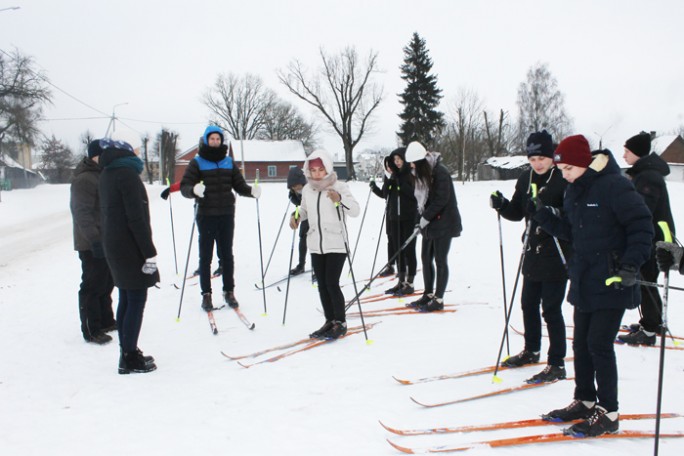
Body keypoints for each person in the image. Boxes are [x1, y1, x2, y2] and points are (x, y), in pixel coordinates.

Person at [534, 135, 653, 437]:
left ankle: (608, 412)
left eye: (568, 169)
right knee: (581, 344)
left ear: (585, 163)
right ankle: (585, 400)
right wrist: (543, 217)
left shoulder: (615, 185)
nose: (564, 175)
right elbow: (573, 232)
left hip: (613, 279)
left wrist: (630, 265)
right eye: (561, 170)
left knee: (599, 344)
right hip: (585, 278)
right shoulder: (575, 190)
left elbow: (641, 226)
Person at [489, 130, 570, 383]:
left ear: (551, 156)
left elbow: (570, 217)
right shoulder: (525, 178)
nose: (538, 163)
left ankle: (556, 363)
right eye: (533, 159)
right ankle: (531, 350)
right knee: (528, 304)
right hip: (532, 251)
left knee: (551, 310)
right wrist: (502, 205)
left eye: (542, 158)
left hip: (556, 252)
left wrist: (546, 210)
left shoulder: (562, 179)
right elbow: (516, 211)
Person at [180, 126, 260, 311]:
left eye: (218, 139)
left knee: (226, 255)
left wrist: (251, 192)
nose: (215, 142)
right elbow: (185, 186)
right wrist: (193, 191)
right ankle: (206, 294)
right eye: (212, 139)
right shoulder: (197, 162)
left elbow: (239, 185)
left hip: (226, 214)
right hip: (206, 215)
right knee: (205, 256)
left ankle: (229, 291)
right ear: (206, 140)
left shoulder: (228, 162)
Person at [98, 138, 159, 374]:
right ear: (123, 152)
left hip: (115, 245)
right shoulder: (126, 174)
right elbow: (136, 219)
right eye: (133, 149)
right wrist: (149, 253)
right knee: (135, 299)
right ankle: (129, 357)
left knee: (126, 297)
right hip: (130, 247)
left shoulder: (107, 173)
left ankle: (128, 351)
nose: (137, 152)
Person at [289, 149, 360, 340]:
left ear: (327, 168)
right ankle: (330, 320)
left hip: (336, 242)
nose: (317, 173)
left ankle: (340, 322)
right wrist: (295, 216)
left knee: (331, 283)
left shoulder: (339, 186)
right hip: (316, 244)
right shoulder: (307, 190)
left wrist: (340, 199)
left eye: (320, 169)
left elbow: (355, 210)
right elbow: (304, 210)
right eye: (313, 170)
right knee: (322, 285)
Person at [617, 132, 675, 346]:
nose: (624, 156)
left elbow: (642, 210)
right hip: (652, 236)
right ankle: (653, 321)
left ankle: (649, 330)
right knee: (648, 281)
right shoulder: (645, 173)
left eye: (627, 151)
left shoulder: (648, 176)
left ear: (637, 153)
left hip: (653, 238)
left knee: (646, 282)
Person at [404, 141, 462, 312]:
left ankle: (438, 298)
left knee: (440, 260)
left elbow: (441, 200)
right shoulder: (421, 175)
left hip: (445, 223)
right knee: (425, 257)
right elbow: (420, 202)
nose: (412, 166)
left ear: (421, 161)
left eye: (413, 163)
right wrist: (418, 221)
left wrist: (425, 218)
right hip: (430, 224)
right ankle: (428, 294)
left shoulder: (440, 172)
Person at [70, 141, 116, 345]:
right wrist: (94, 240)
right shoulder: (85, 179)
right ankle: (91, 328)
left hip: (106, 238)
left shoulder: (102, 174)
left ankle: (106, 321)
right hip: (91, 242)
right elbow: (81, 212)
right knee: (92, 284)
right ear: (96, 155)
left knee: (107, 282)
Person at [370, 148, 418, 295]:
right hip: (394, 218)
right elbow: (386, 194)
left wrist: (400, 184)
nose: (397, 163)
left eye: (399, 160)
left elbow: (414, 195)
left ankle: (409, 282)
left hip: (409, 217)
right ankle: (401, 280)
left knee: (409, 249)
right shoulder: (392, 176)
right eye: (395, 160)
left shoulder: (411, 175)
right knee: (398, 250)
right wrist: (384, 184)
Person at [161, 181, 223, 277]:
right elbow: (185, 183)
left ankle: (223, 264)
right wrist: (170, 189)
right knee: (204, 239)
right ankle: (204, 265)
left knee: (219, 236)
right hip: (201, 209)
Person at [287, 166, 309, 275]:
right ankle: (301, 265)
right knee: (302, 238)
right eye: (293, 187)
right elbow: (298, 208)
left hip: (317, 216)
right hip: (304, 215)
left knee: (316, 241)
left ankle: (317, 268)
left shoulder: (310, 189)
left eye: (297, 186)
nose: (296, 188)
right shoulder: (293, 193)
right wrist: (295, 216)